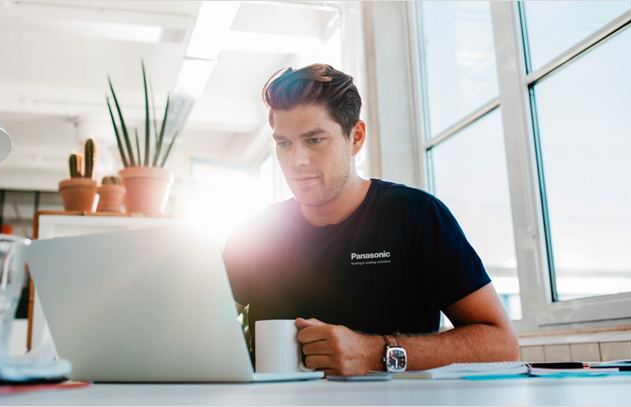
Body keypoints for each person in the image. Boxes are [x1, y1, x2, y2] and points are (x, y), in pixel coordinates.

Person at [221, 64, 519, 376]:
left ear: (356, 137)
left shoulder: (415, 216)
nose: (296, 160)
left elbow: (502, 343)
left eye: (314, 140)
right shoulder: (253, 234)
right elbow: (195, 334)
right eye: (284, 143)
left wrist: (375, 352)